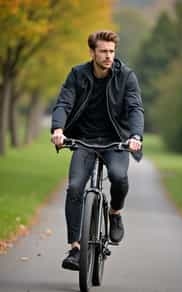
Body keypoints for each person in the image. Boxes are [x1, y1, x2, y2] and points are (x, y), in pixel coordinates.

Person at [51, 30, 144, 271]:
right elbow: (64, 102)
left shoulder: (126, 76)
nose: (108, 56)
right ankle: (75, 247)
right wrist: (58, 129)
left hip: (116, 141)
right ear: (92, 52)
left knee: (118, 177)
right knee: (74, 188)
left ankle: (115, 212)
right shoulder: (77, 75)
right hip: (84, 140)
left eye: (111, 51)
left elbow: (135, 107)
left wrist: (135, 136)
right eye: (103, 51)